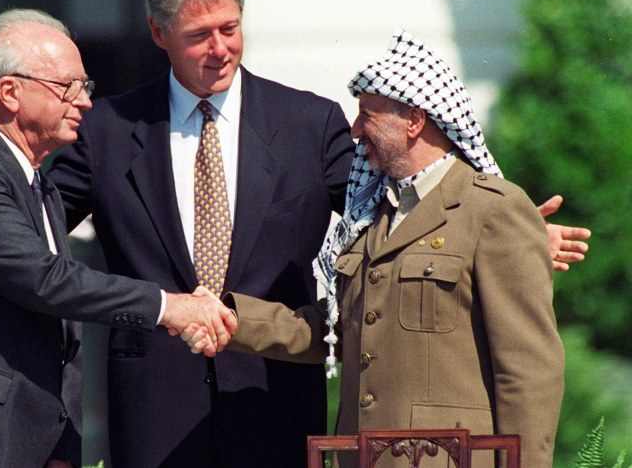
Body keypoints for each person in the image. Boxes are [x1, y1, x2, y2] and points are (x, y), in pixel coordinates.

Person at [0, 0, 590, 466]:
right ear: (160, 35)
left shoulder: (310, 121)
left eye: (230, 28)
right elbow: (25, 240)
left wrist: (506, 233)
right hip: (154, 412)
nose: (220, 47)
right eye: (199, 34)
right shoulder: (108, 128)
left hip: (274, 397)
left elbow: (390, 210)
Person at [0, 8, 235, 468]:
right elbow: (45, 281)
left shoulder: (39, 186)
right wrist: (171, 306)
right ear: (11, 92)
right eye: (68, 86)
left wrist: (57, 447)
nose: (85, 102)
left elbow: (32, 309)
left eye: (85, 87)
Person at [184, 29, 567, 467]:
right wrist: (233, 320)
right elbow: (337, 330)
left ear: (415, 121)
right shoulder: (371, 216)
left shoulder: (491, 210)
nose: (355, 130)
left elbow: (529, 371)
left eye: (368, 115)